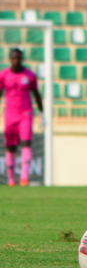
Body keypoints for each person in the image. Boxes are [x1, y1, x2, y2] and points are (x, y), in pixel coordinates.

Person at [0, 48, 43, 186]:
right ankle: (11, 179)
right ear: (10, 59)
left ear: (22, 59)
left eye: (19, 58)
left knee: (26, 142)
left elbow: (36, 94)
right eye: (14, 58)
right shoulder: (4, 75)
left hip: (26, 113)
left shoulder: (29, 75)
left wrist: (42, 113)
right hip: (10, 114)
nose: (16, 61)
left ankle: (24, 177)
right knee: (10, 146)